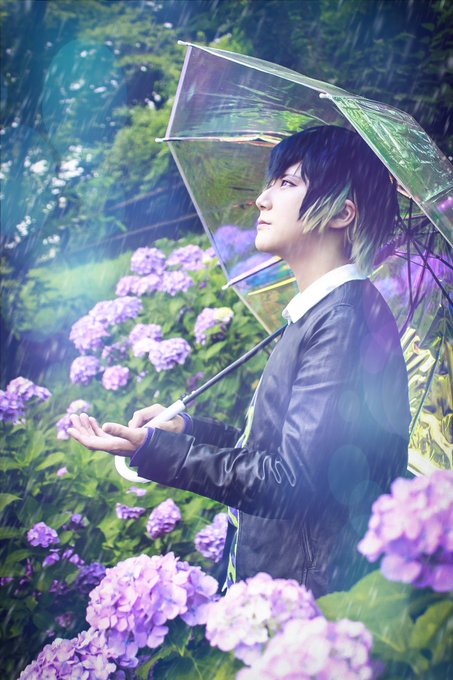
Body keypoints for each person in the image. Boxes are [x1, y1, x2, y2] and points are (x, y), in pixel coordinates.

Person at [68, 125, 411, 597]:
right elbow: (281, 455)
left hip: (305, 602)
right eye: (271, 184)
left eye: (287, 183)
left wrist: (156, 451)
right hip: (278, 582)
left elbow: (289, 483)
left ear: (340, 213)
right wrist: (186, 430)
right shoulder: (323, 313)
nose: (262, 200)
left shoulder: (342, 321)